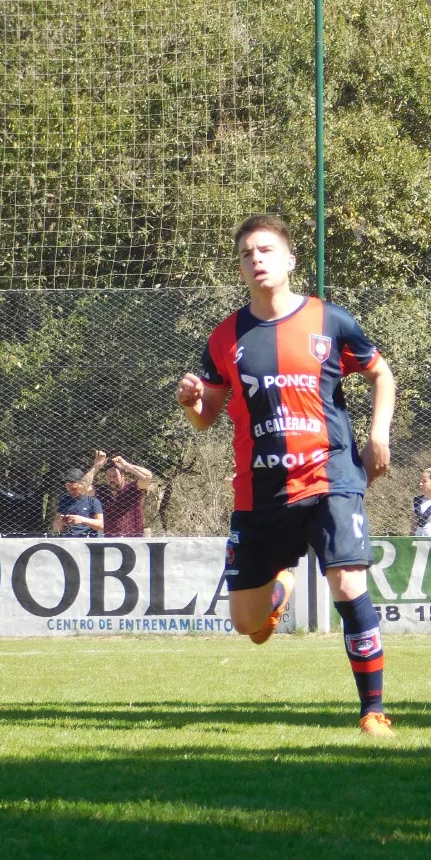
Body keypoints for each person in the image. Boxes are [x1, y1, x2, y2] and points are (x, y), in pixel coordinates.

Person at [175, 213, 397, 742]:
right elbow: (208, 416)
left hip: (330, 477)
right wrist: (191, 402)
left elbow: (380, 373)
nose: (257, 259)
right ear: (240, 267)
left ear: (290, 260)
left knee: (347, 584)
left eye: (267, 249)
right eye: (248, 252)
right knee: (247, 627)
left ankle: (374, 711)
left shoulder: (330, 320)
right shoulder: (226, 336)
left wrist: (379, 435)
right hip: (261, 492)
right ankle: (276, 592)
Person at [81, 450, 153, 537]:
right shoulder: (102, 490)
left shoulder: (133, 488)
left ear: (122, 476)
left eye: (115, 476)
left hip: (134, 539)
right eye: (109, 476)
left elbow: (147, 477)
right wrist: (96, 466)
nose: (111, 479)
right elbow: (82, 487)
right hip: (110, 540)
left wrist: (126, 465)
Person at [53, 467, 104, 537]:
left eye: (74, 489)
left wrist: (82, 520)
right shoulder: (64, 500)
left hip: (87, 539)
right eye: (68, 489)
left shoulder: (92, 501)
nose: (70, 492)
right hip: (68, 539)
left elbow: (101, 525)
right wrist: (60, 523)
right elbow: (56, 524)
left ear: (82, 485)